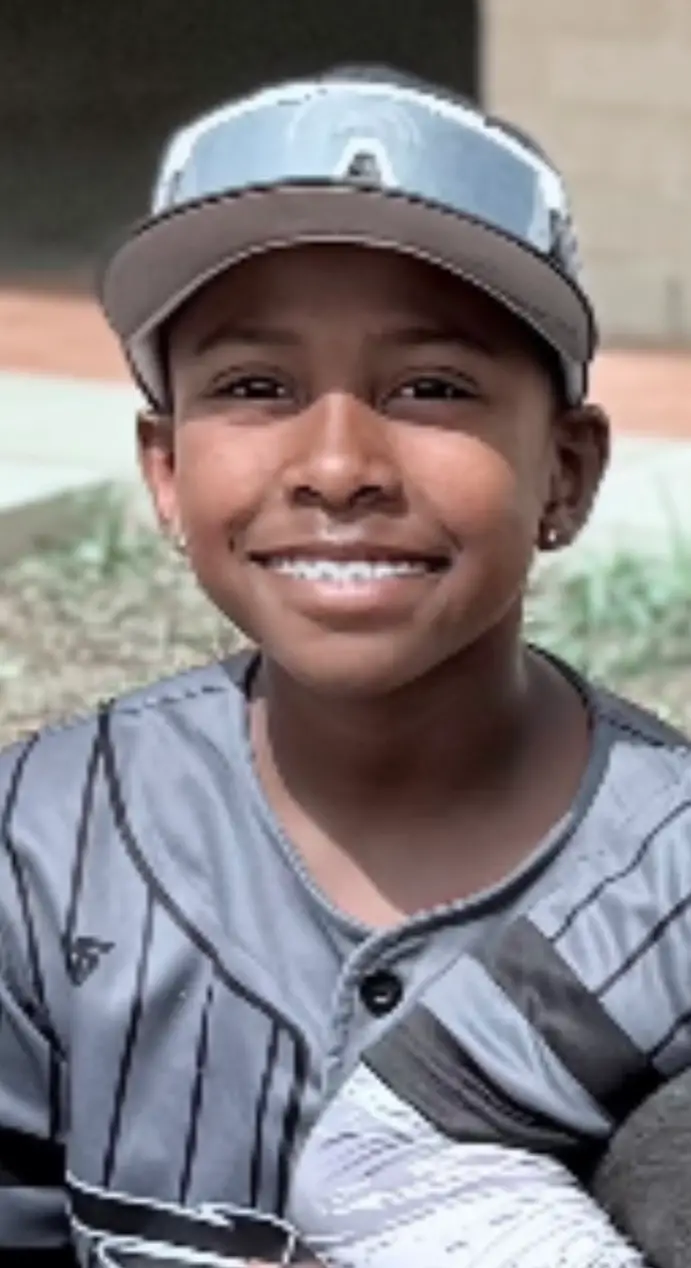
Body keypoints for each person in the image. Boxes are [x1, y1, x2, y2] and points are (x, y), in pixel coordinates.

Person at [1, 63, 690, 1266]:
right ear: (165, 470)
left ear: (566, 471)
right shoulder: (38, 849)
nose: (336, 465)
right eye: (254, 386)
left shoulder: (667, 879)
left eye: (431, 387)